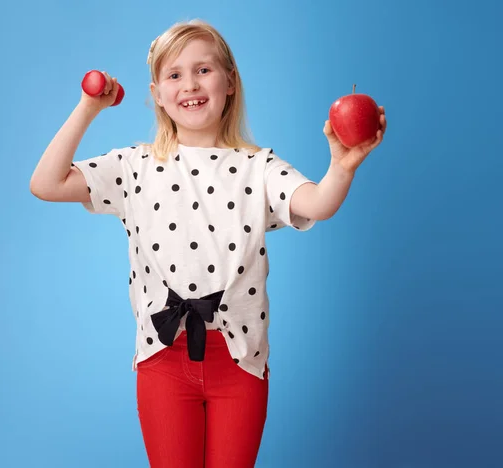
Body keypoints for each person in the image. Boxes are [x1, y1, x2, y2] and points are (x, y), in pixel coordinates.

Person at [30, 18, 386, 468]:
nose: (190, 84)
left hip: (239, 361)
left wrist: (343, 166)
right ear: (157, 93)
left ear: (230, 82)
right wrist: (88, 107)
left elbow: (316, 203)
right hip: (162, 358)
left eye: (204, 70)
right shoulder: (133, 166)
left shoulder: (259, 167)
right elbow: (45, 183)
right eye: (174, 75)